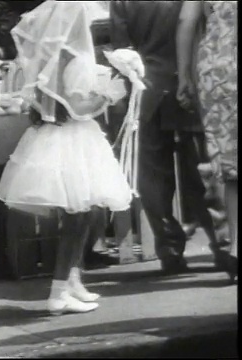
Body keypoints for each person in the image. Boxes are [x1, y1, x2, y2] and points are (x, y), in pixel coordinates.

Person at [0, 1, 134, 315]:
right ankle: (58, 291)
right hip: (72, 139)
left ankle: (72, 281)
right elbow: (77, 107)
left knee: (85, 214)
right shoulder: (74, 59)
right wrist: (109, 94)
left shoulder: (52, 58)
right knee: (77, 217)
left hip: (64, 138)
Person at [109, 1, 223, 274]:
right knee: (202, 172)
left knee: (153, 178)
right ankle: (224, 246)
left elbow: (121, 50)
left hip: (146, 89)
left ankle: (169, 249)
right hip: (190, 84)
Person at [176, 1, 238, 283]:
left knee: (231, 165)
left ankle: (237, 244)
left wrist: (184, 75)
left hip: (215, 70)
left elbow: (185, 22)